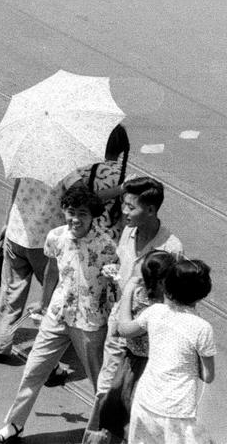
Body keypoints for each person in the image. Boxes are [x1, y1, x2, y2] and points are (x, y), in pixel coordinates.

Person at [0, 186, 118, 443]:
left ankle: (108, 431)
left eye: (82, 213)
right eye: (71, 212)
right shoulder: (56, 237)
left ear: (93, 216)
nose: (75, 219)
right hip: (57, 315)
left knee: (100, 382)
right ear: (63, 212)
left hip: (90, 322)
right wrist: (43, 302)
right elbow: (51, 272)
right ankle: (14, 424)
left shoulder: (106, 246)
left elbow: (115, 286)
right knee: (33, 371)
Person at [84, 176, 183, 439]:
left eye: (131, 207)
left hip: (147, 341)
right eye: (124, 205)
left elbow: (171, 300)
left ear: (150, 210)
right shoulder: (128, 231)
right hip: (119, 326)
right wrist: (116, 273)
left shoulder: (170, 249)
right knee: (106, 389)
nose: (124, 212)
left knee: (135, 398)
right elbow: (125, 265)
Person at [117, 258, 216, 444]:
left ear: (167, 289)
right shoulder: (202, 328)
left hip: (145, 401)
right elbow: (208, 375)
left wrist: (128, 290)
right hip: (178, 411)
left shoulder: (154, 312)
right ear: (202, 294)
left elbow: (124, 329)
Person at [0, 170, 82, 363]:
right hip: (44, 242)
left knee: (11, 293)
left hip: (16, 234)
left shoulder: (27, 162)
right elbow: (83, 195)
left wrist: (6, 222)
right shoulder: (66, 168)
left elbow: (15, 192)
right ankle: (52, 348)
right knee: (54, 294)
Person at [95, 250, 176, 442]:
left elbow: (120, 328)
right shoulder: (168, 304)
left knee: (121, 412)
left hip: (132, 363)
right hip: (149, 366)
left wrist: (128, 291)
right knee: (135, 417)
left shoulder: (140, 298)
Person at [74, 124, 131, 242]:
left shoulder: (83, 170)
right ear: (122, 147)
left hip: (80, 230)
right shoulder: (121, 177)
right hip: (109, 237)